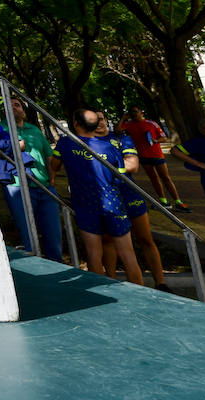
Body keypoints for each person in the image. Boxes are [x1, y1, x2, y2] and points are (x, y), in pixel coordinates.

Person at [50, 108, 142, 284]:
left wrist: (52, 177)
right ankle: (144, 298)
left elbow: (54, 164)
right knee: (128, 255)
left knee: (94, 256)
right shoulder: (110, 146)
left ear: (76, 124)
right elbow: (121, 175)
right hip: (114, 203)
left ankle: (102, 296)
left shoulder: (65, 143)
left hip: (85, 205)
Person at [0, 97, 63, 262]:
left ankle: (57, 268)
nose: (13, 107)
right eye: (9, 105)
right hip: (17, 186)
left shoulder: (34, 130)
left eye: (17, 105)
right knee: (29, 235)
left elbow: (48, 156)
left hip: (45, 187)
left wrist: (52, 179)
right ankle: (37, 271)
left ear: (24, 111)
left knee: (53, 236)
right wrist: (14, 146)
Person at [99, 115, 170, 291]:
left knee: (146, 239)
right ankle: (111, 281)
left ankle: (161, 283)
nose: (99, 122)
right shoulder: (87, 143)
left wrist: (100, 167)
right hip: (106, 198)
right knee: (108, 240)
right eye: (94, 119)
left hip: (129, 194)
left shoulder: (122, 138)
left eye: (101, 118)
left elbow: (132, 165)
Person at [118, 106, 184, 208]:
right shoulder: (128, 125)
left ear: (141, 112)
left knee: (166, 178)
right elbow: (117, 130)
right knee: (153, 178)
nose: (133, 114)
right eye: (131, 112)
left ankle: (178, 202)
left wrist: (156, 141)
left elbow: (164, 138)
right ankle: (163, 201)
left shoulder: (151, 124)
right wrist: (123, 118)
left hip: (157, 155)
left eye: (135, 111)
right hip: (143, 156)